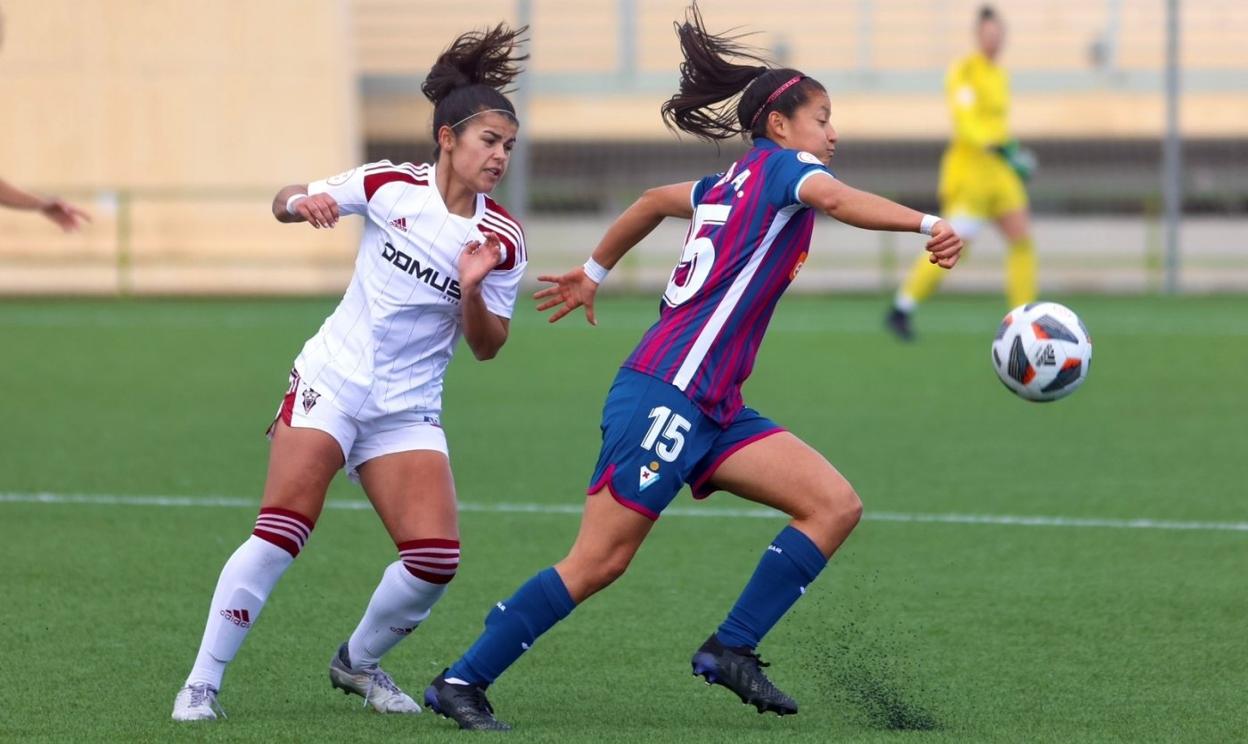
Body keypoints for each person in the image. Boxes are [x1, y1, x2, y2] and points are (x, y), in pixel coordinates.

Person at [421, 3, 962, 731]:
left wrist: (592, 271)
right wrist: (928, 222)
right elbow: (834, 198)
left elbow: (650, 201)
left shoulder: (729, 183)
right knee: (599, 561)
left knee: (834, 505)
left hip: (714, 405)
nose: (833, 133)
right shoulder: (785, 170)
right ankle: (462, 679)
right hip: (666, 395)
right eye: (822, 118)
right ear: (780, 126)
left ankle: (731, 647)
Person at [171, 24, 530, 721]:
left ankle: (357, 663)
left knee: (435, 560)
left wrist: (471, 287)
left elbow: (488, 347)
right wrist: (299, 204)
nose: (500, 156)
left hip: (406, 408)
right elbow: (286, 197)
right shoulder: (390, 185)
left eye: (509, 146)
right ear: (447, 138)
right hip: (332, 381)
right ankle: (202, 682)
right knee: (281, 532)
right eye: (490, 141)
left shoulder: (503, 239)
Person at [886, 4, 1036, 341]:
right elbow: (965, 121)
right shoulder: (964, 71)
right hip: (970, 175)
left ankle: (1024, 317)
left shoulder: (1000, 74)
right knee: (953, 244)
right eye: (989, 33)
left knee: (1022, 239)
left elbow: (998, 126)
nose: (994, 39)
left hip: (1000, 175)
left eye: (999, 33)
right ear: (978, 35)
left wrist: (1013, 154)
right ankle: (901, 307)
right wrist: (996, 145)